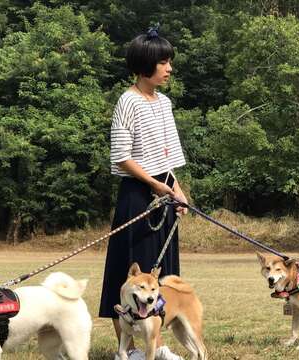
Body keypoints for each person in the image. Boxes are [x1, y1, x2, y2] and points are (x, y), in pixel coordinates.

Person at [99, 25, 189, 360]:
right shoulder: (127, 101)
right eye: (164, 62)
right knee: (130, 272)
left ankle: (157, 345)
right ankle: (129, 350)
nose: (169, 69)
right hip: (138, 196)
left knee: (161, 273)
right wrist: (154, 184)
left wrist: (177, 191)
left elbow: (167, 158)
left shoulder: (163, 103)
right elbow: (121, 157)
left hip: (163, 193)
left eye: (169, 62)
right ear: (144, 65)